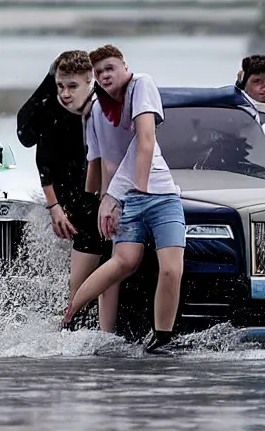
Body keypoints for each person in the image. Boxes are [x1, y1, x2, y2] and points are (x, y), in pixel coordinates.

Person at [61, 44, 185, 354]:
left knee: (172, 269)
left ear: (124, 66)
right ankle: (68, 318)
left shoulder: (141, 84)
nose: (105, 75)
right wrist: (104, 203)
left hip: (162, 196)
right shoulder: (98, 111)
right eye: (99, 72)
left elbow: (145, 141)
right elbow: (106, 164)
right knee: (123, 262)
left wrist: (118, 196)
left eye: (110, 68)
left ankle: (162, 338)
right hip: (128, 200)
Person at [16, 50, 119, 333]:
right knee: (81, 282)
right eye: (61, 86)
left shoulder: (104, 107)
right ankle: (68, 326)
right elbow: (33, 147)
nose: (65, 93)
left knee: (112, 272)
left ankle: (105, 332)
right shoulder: (52, 110)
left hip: (105, 200)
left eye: (72, 86)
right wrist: (54, 207)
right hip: (74, 203)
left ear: (91, 82)